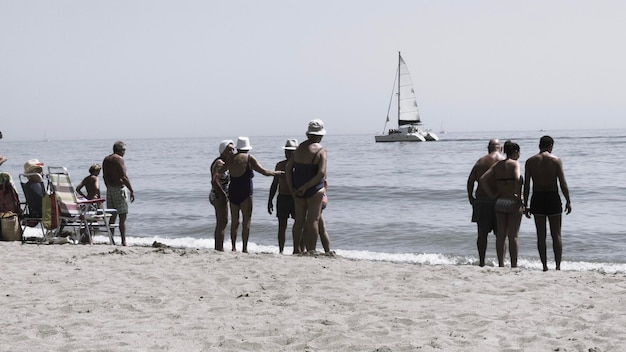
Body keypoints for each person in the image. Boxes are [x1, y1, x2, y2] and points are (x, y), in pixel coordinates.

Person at [219, 137, 282, 253]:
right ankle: (244, 248)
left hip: (233, 191)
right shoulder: (249, 158)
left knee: (235, 221)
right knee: (246, 221)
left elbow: (220, 171)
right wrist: (277, 173)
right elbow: (264, 172)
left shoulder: (231, 158)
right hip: (246, 192)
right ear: (247, 148)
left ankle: (233, 247)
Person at [523, 135, 571, 271]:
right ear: (551, 146)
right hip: (553, 197)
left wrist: (525, 204)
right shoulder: (556, 161)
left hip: (537, 198)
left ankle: (544, 266)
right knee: (556, 234)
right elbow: (562, 182)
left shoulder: (530, 161)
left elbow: (527, 185)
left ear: (539, 146)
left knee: (541, 235)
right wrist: (568, 200)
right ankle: (557, 266)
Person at [285, 119, 327, 254]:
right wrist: (307, 186)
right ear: (320, 135)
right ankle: (311, 250)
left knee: (299, 221)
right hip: (315, 190)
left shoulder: (299, 149)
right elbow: (321, 173)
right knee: (312, 221)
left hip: (297, 189)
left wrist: (292, 187)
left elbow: (288, 168)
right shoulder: (321, 151)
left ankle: (296, 249)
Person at [479, 141, 523, 268]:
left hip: (500, 202)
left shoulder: (497, 166)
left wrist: (492, 195)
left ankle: (501, 264)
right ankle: (514, 265)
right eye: (518, 153)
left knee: (501, 236)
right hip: (512, 202)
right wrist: (519, 197)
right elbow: (517, 178)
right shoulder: (515, 163)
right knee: (513, 236)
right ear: (515, 152)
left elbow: (483, 180)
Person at [466, 139, 503, 266]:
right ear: (501, 148)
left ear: (488, 148)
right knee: (501, 235)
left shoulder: (481, 162)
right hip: (501, 201)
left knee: (482, 234)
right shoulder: (505, 162)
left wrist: (470, 197)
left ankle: (482, 261)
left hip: (483, 201)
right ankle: (501, 263)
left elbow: (470, 181)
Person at [268, 139, 298, 254]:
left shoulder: (298, 166)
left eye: (290, 151)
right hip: (283, 197)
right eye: (287, 151)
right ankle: (281, 250)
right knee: (282, 226)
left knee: (299, 224)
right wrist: (270, 200)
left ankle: (298, 249)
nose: (288, 153)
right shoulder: (280, 165)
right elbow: (275, 184)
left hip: (295, 198)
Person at [102, 141, 135, 246]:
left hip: (110, 189)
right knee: (122, 216)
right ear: (120, 150)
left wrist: (108, 187)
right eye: (124, 150)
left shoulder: (106, 159)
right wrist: (131, 190)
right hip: (119, 189)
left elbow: (104, 176)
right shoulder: (119, 159)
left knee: (112, 216)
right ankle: (123, 241)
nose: (124, 152)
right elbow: (123, 176)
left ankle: (111, 239)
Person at [210, 139, 235, 251]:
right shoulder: (220, 163)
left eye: (233, 149)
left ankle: (219, 247)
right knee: (222, 222)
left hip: (219, 194)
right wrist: (223, 195)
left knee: (221, 222)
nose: (232, 152)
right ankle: (219, 248)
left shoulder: (224, 162)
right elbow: (214, 181)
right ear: (223, 151)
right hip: (218, 195)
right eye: (229, 150)